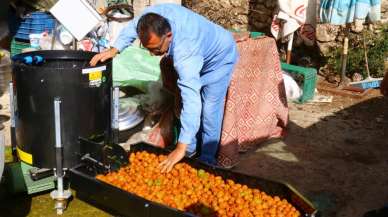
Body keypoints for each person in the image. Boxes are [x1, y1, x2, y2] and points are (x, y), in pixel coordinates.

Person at [90, 4, 238, 172]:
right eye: (147, 50)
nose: (153, 55)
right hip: (199, 51)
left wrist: (180, 148)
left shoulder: (185, 51)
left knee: (209, 109)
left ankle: (206, 160)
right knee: (188, 107)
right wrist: (114, 50)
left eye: (156, 49)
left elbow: (192, 100)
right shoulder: (150, 17)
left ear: (169, 35)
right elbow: (132, 27)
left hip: (219, 59)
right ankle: (190, 151)